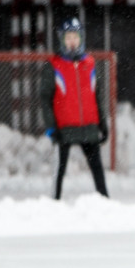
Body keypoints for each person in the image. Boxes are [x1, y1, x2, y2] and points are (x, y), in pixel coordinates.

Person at [39, 17, 109, 200]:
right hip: (64, 129)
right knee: (59, 170)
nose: (72, 41)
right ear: (62, 39)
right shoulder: (53, 66)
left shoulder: (90, 64)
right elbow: (45, 99)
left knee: (97, 169)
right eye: (68, 37)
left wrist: (102, 123)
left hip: (89, 126)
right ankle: (54, 203)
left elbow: (97, 96)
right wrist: (51, 128)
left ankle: (106, 203)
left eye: (75, 37)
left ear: (81, 38)